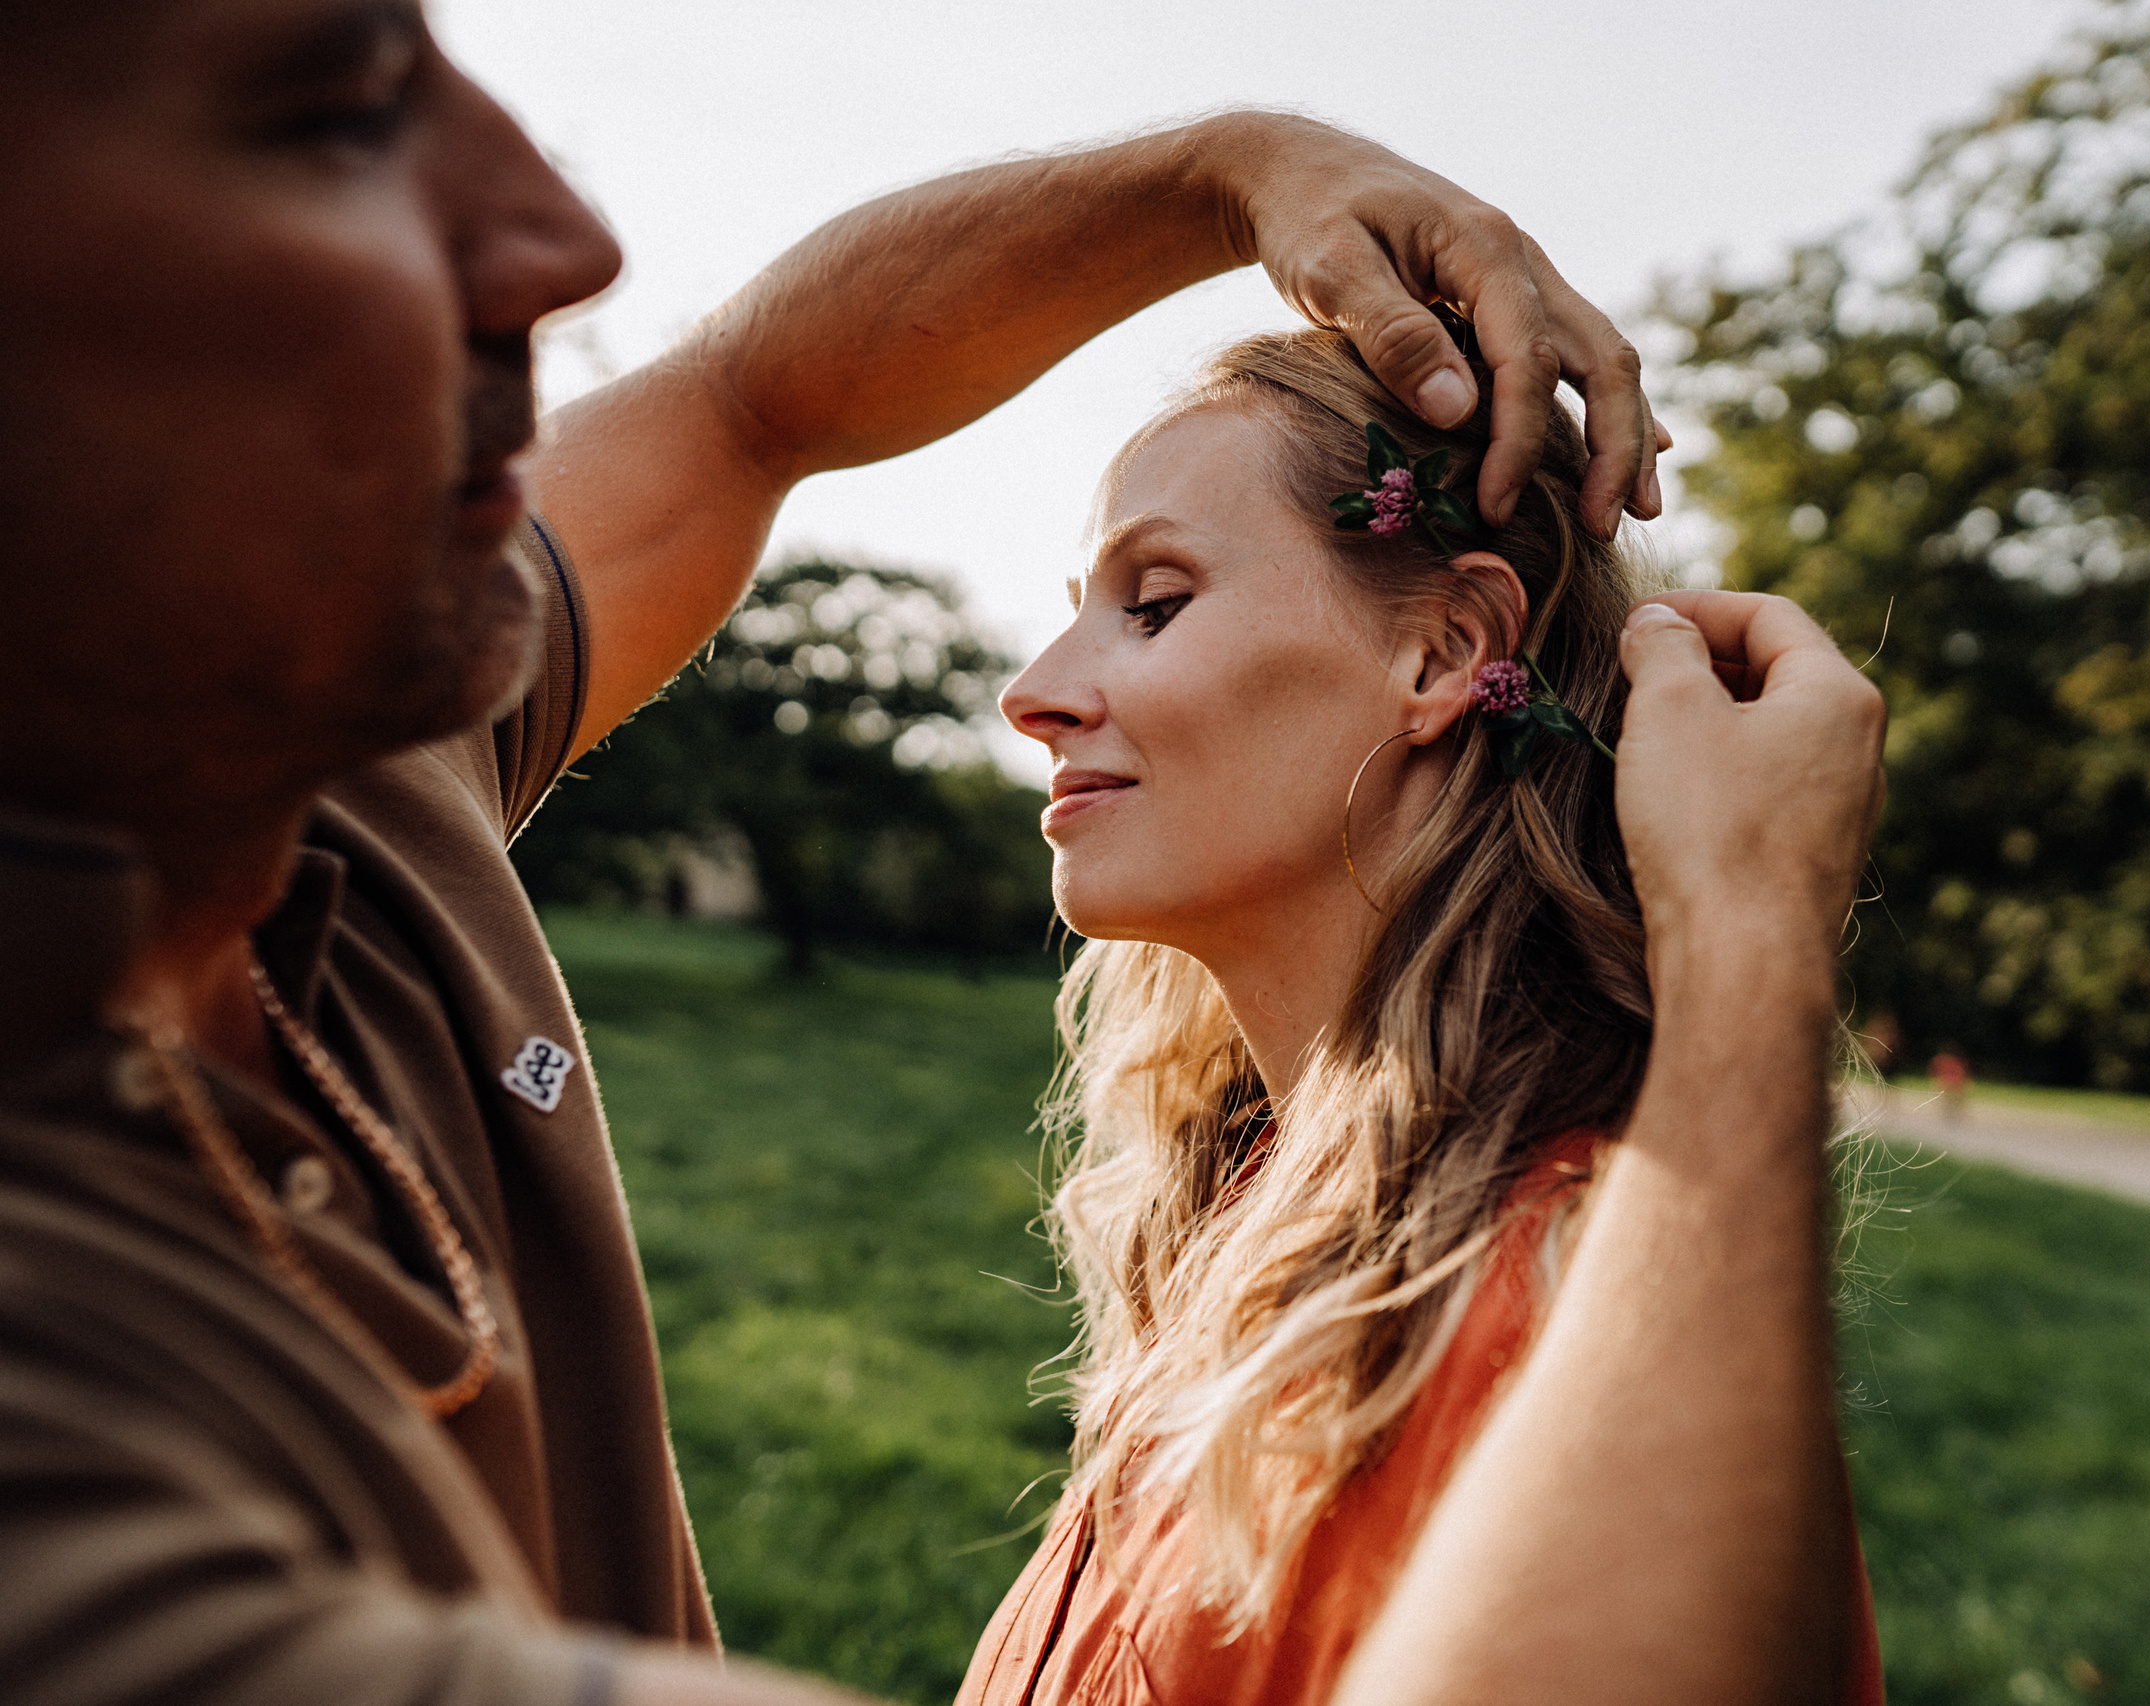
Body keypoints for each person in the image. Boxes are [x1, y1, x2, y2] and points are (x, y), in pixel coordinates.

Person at [0, 3, 1883, 1704]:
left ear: (1444, 648)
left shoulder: (358, 734)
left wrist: (1238, 165)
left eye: (1152, 601)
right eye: (335, 112)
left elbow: (760, 392)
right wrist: (1745, 960)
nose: (571, 243)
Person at [967, 330, 1886, 1706]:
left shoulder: (1534, 1306)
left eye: (1152, 603)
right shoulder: (1256, 1217)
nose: (1033, 691)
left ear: (1447, 650)